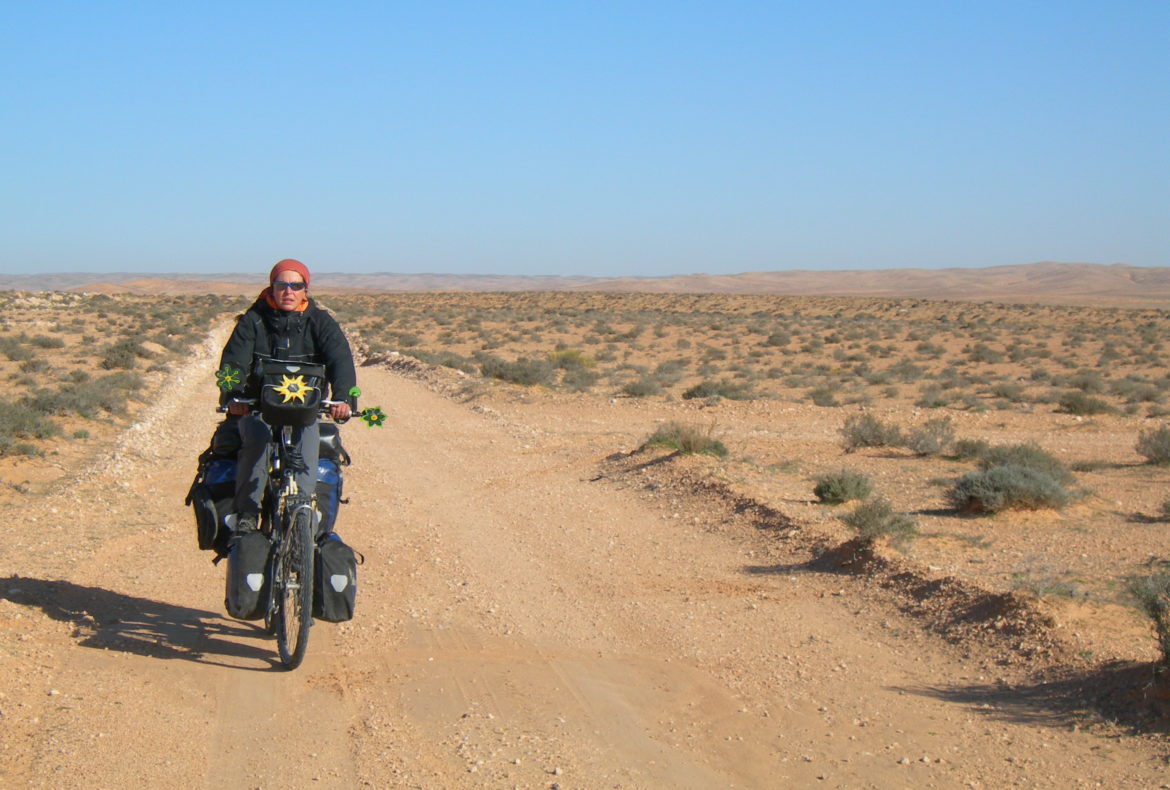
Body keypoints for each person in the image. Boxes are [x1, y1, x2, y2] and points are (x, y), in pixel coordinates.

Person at [214, 258, 357, 533]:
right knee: (255, 439)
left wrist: (344, 399)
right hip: (259, 407)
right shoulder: (253, 321)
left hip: (306, 407)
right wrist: (231, 397)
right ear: (272, 287)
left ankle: (305, 506)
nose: (288, 291)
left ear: (306, 289)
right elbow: (232, 363)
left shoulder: (320, 322)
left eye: (296, 285)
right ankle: (247, 512)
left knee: (309, 436)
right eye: (282, 285)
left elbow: (341, 361)